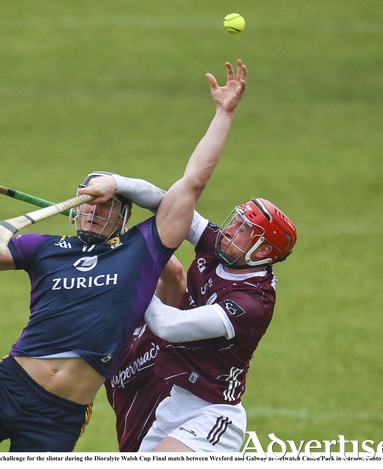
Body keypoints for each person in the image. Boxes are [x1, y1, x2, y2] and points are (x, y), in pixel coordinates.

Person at [0, 59, 247, 452]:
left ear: (125, 213)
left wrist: (224, 112)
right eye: (86, 202)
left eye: (104, 204)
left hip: (61, 413)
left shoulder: (144, 248)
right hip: (9, 385)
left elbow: (192, 183)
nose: (93, 209)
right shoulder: (47, 248)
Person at [105, 172, 297, 452]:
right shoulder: (220, 248)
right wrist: (116, 183)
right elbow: (169, 204)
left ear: (262, 251)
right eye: (236, 221)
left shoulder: (251, 301)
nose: (230, 230)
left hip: (213, 414)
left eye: (243, 230)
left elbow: (170, 326)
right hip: (174, 405)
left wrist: (131, 273)